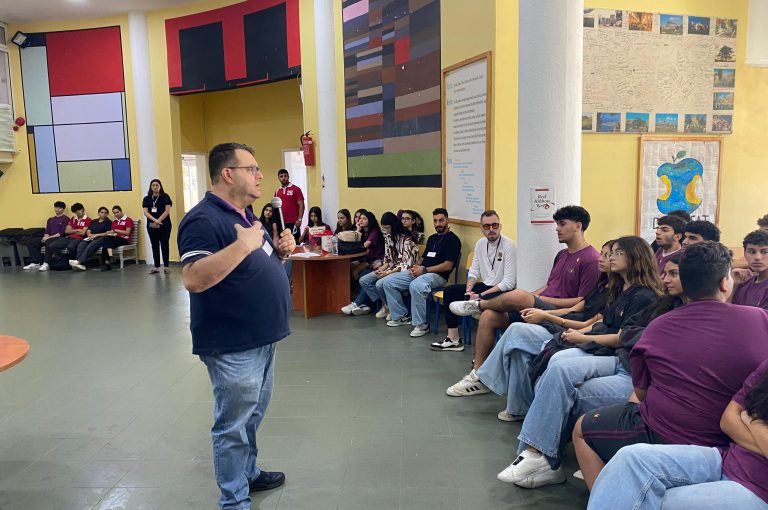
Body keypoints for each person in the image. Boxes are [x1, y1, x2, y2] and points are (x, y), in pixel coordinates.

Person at [573, 242, 768, 490]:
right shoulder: (760, 320)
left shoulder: (658, 326)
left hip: (662, 431)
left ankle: (609, 495)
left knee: (581, 429)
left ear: (683, 281)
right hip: (731, 438)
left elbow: (641, 393)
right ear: (724, 283)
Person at [492, 236, 663, 489]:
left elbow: (622, 338)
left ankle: (537, 454)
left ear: (636, 258)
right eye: (610, 253)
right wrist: (577, 332)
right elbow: (599, 321)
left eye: (617, 253)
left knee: (560, 365)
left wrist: (580, 336)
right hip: (606, 350)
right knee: (554, 361)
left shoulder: (644, 297)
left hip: (620, 359)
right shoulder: (618, 289)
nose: (610, 258)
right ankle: (536, 454)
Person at [178, 142, 295, 510]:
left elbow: (252, 267)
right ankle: (233, 500)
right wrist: (243, 246)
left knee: (252, 415)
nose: (260, 175)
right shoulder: (203, 220)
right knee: (232, 426)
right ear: (228, 174)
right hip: (232, 343)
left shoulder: (245, 216)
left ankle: (248, 473)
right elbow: (193, 278)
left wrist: (279, 254)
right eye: (252, 169)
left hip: (262, 337)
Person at [448, 206, 601, 390]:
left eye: (562, 224)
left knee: (519, 294)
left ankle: (478, 305)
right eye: (557, 224)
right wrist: (530, 297)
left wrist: (530, 299)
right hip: (542, 305)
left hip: (562, 314)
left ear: (578, 226)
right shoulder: (562, 255)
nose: (557, 229)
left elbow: (581, 302)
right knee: (489, 316)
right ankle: (478, 376)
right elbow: (549, 286)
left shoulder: (591, 259)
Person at [587, 359, 768, 510]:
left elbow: (740, 415)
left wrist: (752, 421)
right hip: (728, 460)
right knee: (630, 459)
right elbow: (728, 420)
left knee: (651, 501)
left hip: (760, 490)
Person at [431, 210, 517, 352]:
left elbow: (508, 282)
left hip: (503, 291)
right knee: (450, 291)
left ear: (500, 226)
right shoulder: (480, 244)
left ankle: (486, 351)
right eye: (487, 226)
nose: (491, 229)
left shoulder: (509, 246)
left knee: (481, 301)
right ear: (481, 228)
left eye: (495, 225)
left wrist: (479, 295)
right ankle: (453, 339)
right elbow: (474, 271)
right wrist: (469, 290)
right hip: (485, 286)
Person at [381, 208, 461, 337]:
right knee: (388, 282)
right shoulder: (432, 238)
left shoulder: (453, 240)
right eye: (435, 221)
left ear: (447, 220)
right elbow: (423, 258)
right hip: (422, 271)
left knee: (416, 286)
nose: (438, 224)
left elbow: (448, 265)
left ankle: (421, 325)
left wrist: (424, 270)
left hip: (438, 275)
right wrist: (416, 266)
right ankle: (401, 316)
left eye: (441, 220)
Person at [342, 211, 418, 316]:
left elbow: (406, 265)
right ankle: (387, 305)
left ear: (393, 226)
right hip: (391, 268)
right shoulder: (388, 237)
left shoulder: (406, 239)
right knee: (364, 280)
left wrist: (387, 273)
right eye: (384, 228)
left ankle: (395, 309)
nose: (386, 231)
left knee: (380, 283)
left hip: (403, 270)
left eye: (387, 228)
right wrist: (381, 269)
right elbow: (388, 259)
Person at [38, 203, 90, 271]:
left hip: (78, 239)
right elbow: (66, 231)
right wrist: (77, 230)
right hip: (68, 238)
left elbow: (83, 233)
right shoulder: (73, 219)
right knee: (52, 245)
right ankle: (62, 260)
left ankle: (72, 263)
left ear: (83, 209)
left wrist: (72, 230)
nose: (78, 212)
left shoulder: (88, 219)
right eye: (76, 211)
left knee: (70, 247)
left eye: (79, 210)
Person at [23, 201, 69, 270]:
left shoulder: (66, 219)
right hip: (49, 237)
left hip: (59, 238)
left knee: (48, 241)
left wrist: (48, 238)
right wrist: (45, 236)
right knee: (31, 242)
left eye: (59, 208)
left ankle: (46, 263)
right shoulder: (50, 219)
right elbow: (47, 231)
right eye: (56, 207)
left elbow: (62, 233)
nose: (57, 209)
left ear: (63, 209)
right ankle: (36, 263)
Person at [730, 230, 768, 309]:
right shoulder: (743, 281)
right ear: (745, 253)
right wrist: (734, 285)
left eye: (764, 252)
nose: (757, 257)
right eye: (752, 252)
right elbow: (727, 311)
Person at [142, 178, 173, 274]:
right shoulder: (147, 198)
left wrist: (159, 220)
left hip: (164, 224)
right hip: (152, 225)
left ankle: (166, 266)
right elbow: (145, 212)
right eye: (153, 185)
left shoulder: (165, 196)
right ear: (150, 187)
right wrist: (155, 220)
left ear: (160, 186)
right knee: (154, 244)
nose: (155, 187)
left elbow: (167, 210)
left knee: (164, 244)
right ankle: (156, 266)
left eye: (157, 185)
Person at [99, 206, 134, 271]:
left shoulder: (128, 220)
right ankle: (110, 257)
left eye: (117, 212)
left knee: (106, 243)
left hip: (124, 239)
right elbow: (113, 232)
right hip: (115, 238)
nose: (116, 214)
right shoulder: (114, 221)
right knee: (106, 240)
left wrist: (116, 230)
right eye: (114, 213)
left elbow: (127, 233)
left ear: (121, 211)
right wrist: (110, 233)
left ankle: (105, 263)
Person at [274, 168, 305, 241]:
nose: (283, 178)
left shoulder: (296, 189)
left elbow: (301, 205)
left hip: (294, 222)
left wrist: (299, 219)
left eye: (285, 176)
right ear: (278, 178)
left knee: (295, 243)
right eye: (281, 176)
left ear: (288, 177)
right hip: (281, 223)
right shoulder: (277, 191)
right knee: (283, 243)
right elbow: (275, 207)